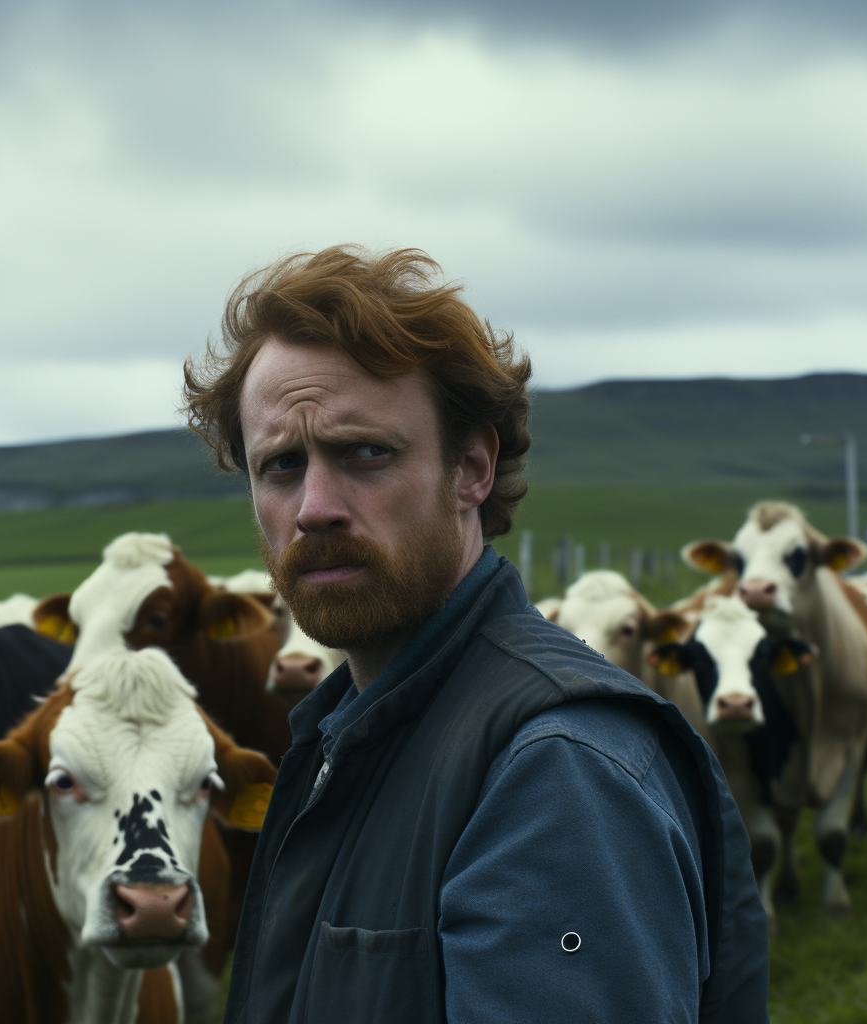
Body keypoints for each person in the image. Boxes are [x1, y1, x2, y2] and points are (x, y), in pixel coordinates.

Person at [183, 246, 770, 1024]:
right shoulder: (351, 731)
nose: (314, 506)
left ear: (472, 468)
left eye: (366, 453)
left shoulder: (557, 772)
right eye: (282, 465)